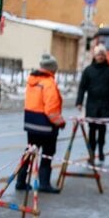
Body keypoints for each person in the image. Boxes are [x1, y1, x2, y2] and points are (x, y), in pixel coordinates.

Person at [17, 54, 66, 193]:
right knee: (48, 153)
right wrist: (60, 122)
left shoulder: (32, 80)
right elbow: (51, 109)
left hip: (31, 123)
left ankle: (20, 181)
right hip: (46, 125)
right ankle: (44, 183)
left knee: (30, 152)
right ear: (52, 69)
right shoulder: (49, 83)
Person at [76, 44, 109, 165]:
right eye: (98, 55)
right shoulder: (88, 70)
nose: (100, 57)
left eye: (102, 55)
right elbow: (82, 87)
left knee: (102, 129)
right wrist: (79, 102)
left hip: (105, 105)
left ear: (105, 56)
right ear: (94, 56)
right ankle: (91, 154)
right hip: (92, 105)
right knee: (92, 130)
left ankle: (101, 150)